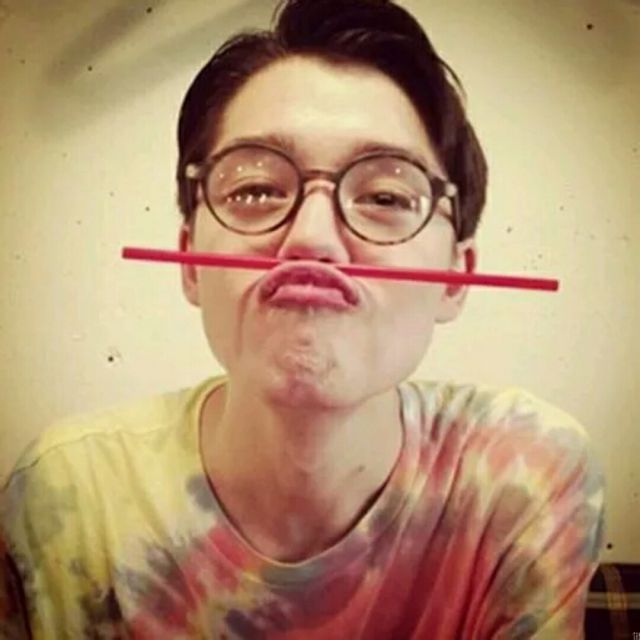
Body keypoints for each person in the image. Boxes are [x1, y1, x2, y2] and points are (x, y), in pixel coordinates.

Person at [0, 0, 605, 638]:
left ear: (456, 277)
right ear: (189, 262)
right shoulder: (69, 496)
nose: (312, 238)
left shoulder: (522, 477)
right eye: (256, 189)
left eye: (385, 196)